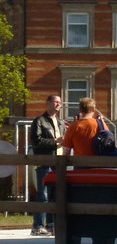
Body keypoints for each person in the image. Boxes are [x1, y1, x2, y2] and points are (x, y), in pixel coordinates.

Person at [30, 94, 64, 236]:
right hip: (44, 162)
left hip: (58, 163)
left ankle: (51, 226)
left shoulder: (61, 123)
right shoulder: (39, 121)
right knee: (42, 194)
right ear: (48, 103)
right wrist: (55, 141)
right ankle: (37, 226)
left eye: (60, 102)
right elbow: (36, 141)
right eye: (55, 102)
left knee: (54, 195)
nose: (58, 104)